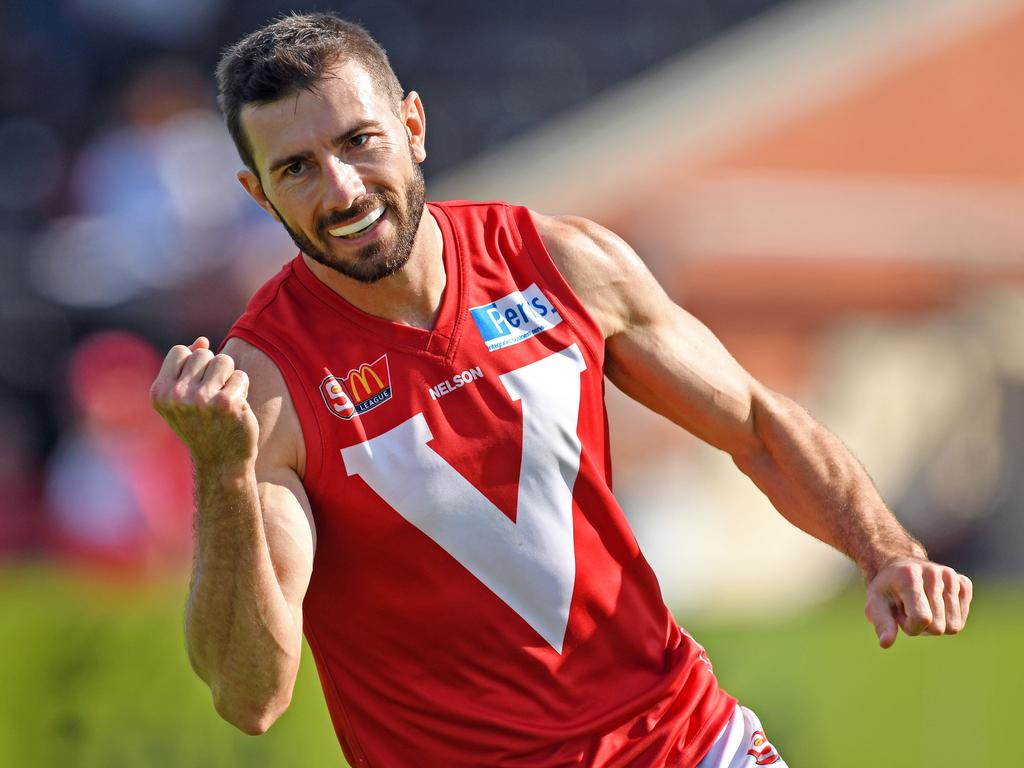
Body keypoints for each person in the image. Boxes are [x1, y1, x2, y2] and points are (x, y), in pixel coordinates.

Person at [150, 12, 972, 768]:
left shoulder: (561, 261)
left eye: (360, 141)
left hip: (686, 741)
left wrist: (885, 552)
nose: (343, 191)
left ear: (413, 126)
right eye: (296, 168)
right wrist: (222, 474)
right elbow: (250, 697)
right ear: (259, 194)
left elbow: (757, 425)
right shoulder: (269, 388)